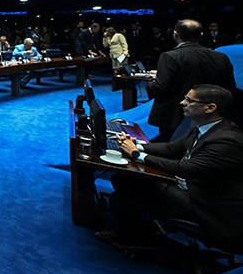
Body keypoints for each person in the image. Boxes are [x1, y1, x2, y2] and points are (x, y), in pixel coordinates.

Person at [102, 85, 243, 250]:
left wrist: (136, 155)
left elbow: (185, 168)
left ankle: (130, 238)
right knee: (125, 179)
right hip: (189, 189)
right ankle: (139, 231)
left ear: (210, 108)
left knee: (128, 190)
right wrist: (137, 145)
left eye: (189, 101)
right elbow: (172, 149)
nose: (182, 103)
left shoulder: (227, 140)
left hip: (207, 206)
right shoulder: (206, 127)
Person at [147, 19, 236, 142]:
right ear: (201, 35)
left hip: (175, 115)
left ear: (175, 34)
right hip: (211, 115)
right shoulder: (221, 57)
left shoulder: (170, 56)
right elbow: (229, 88)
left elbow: (160, 87)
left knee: (169, 150)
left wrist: (150, 83)